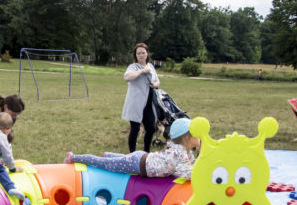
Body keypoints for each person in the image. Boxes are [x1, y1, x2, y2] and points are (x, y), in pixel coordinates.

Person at [64, 118, 200, 180]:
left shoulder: (185, 151)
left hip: (141, 157)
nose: (200, 137)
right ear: (186, 138)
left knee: (119, 160)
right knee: (103, 164)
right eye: (196, 134)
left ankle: (110, 155)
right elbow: (187, 173)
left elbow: (193, 165)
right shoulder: (178, 152)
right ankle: (74, 157)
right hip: (137, 164)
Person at [122, 43, 160, 153]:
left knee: (151, 128)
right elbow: (127, 77)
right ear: (135, 55)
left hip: (148, 103)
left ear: (147, 54)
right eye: (138, 53)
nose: (141, 55)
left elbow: (157, 81)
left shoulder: (151, 66)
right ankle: (132, 154)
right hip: (136, 103)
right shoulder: (133, 67)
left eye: (143, 53)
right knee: (135, 129)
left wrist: (155, 84)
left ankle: (146, 153)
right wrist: (142, 71)